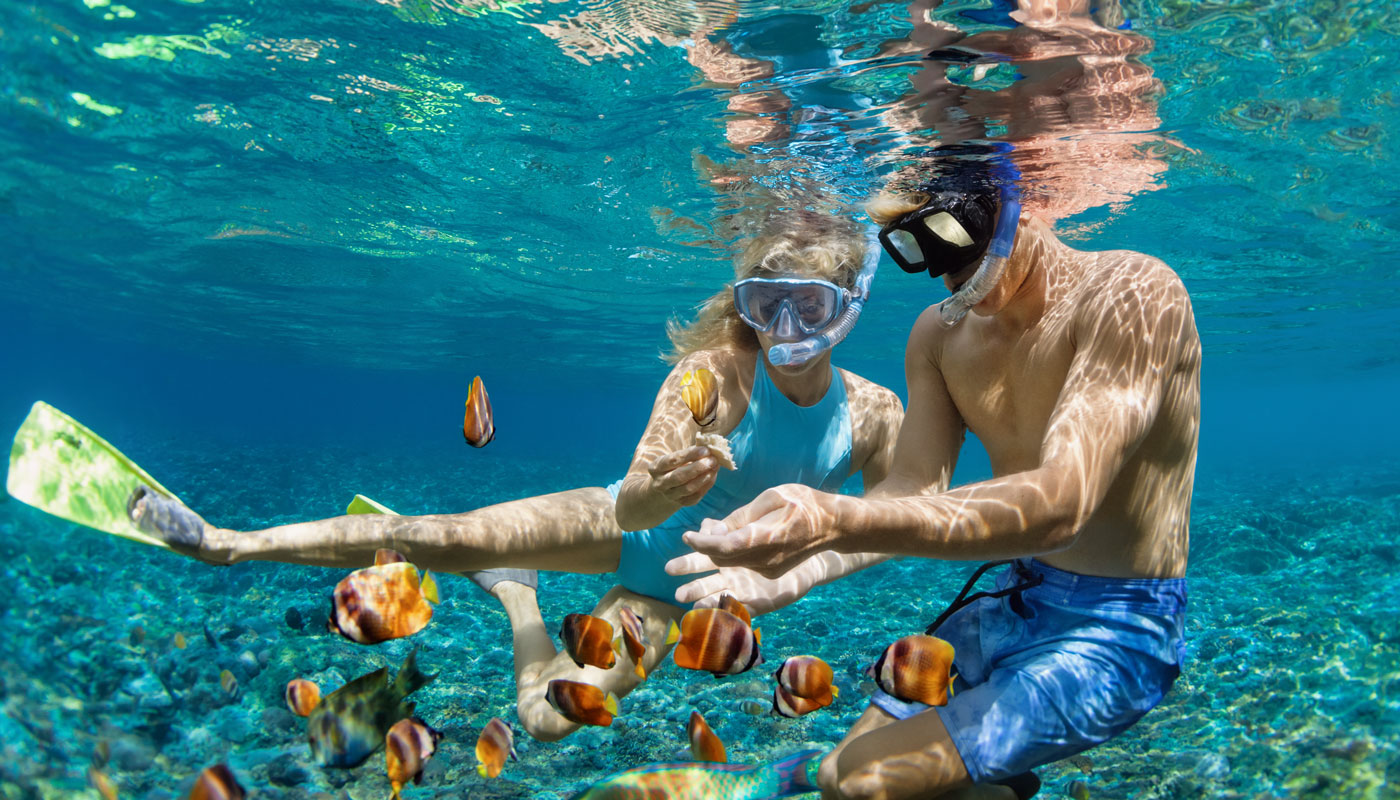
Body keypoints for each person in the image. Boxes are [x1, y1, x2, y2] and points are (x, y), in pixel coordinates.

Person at [126, 209, 904, 743]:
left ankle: (515, 592)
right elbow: (633, 498)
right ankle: (228, 542)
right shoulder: (715, 375)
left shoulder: (875, 413)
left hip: (672, 599)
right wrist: (665, 485)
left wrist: (804, 563)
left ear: (848, 310)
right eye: (765, 305)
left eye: (808, 305)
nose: (785, 330)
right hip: (621, 526)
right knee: (434, 537)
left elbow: (899, 521)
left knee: (547, 721)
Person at [666, 151, 1200, 800]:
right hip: (1012, 597)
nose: (947, 275)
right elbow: (913, 488)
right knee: (843, 776)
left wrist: (834, 520)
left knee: (864, 783)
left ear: (1016, 203)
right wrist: (800, 570)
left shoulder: (1133, 291)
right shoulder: (939, 337)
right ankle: (983, 783)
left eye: (951, 235)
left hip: (1117, 627)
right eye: (915, 249)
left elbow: (1066, 500)